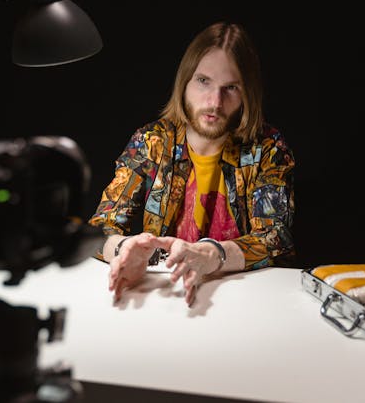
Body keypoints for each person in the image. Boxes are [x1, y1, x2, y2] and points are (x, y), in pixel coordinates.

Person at [88, 22, 295, 306]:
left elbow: (275, 237)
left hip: (243, 299)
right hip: (167, 295)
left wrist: (211, 254)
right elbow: (101, 227)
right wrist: (124, 248)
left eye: (231, 88)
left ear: (247, 93)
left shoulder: (267, 148)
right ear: (184, 82)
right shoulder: (151, 142)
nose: (215, 102)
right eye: (203, 81)